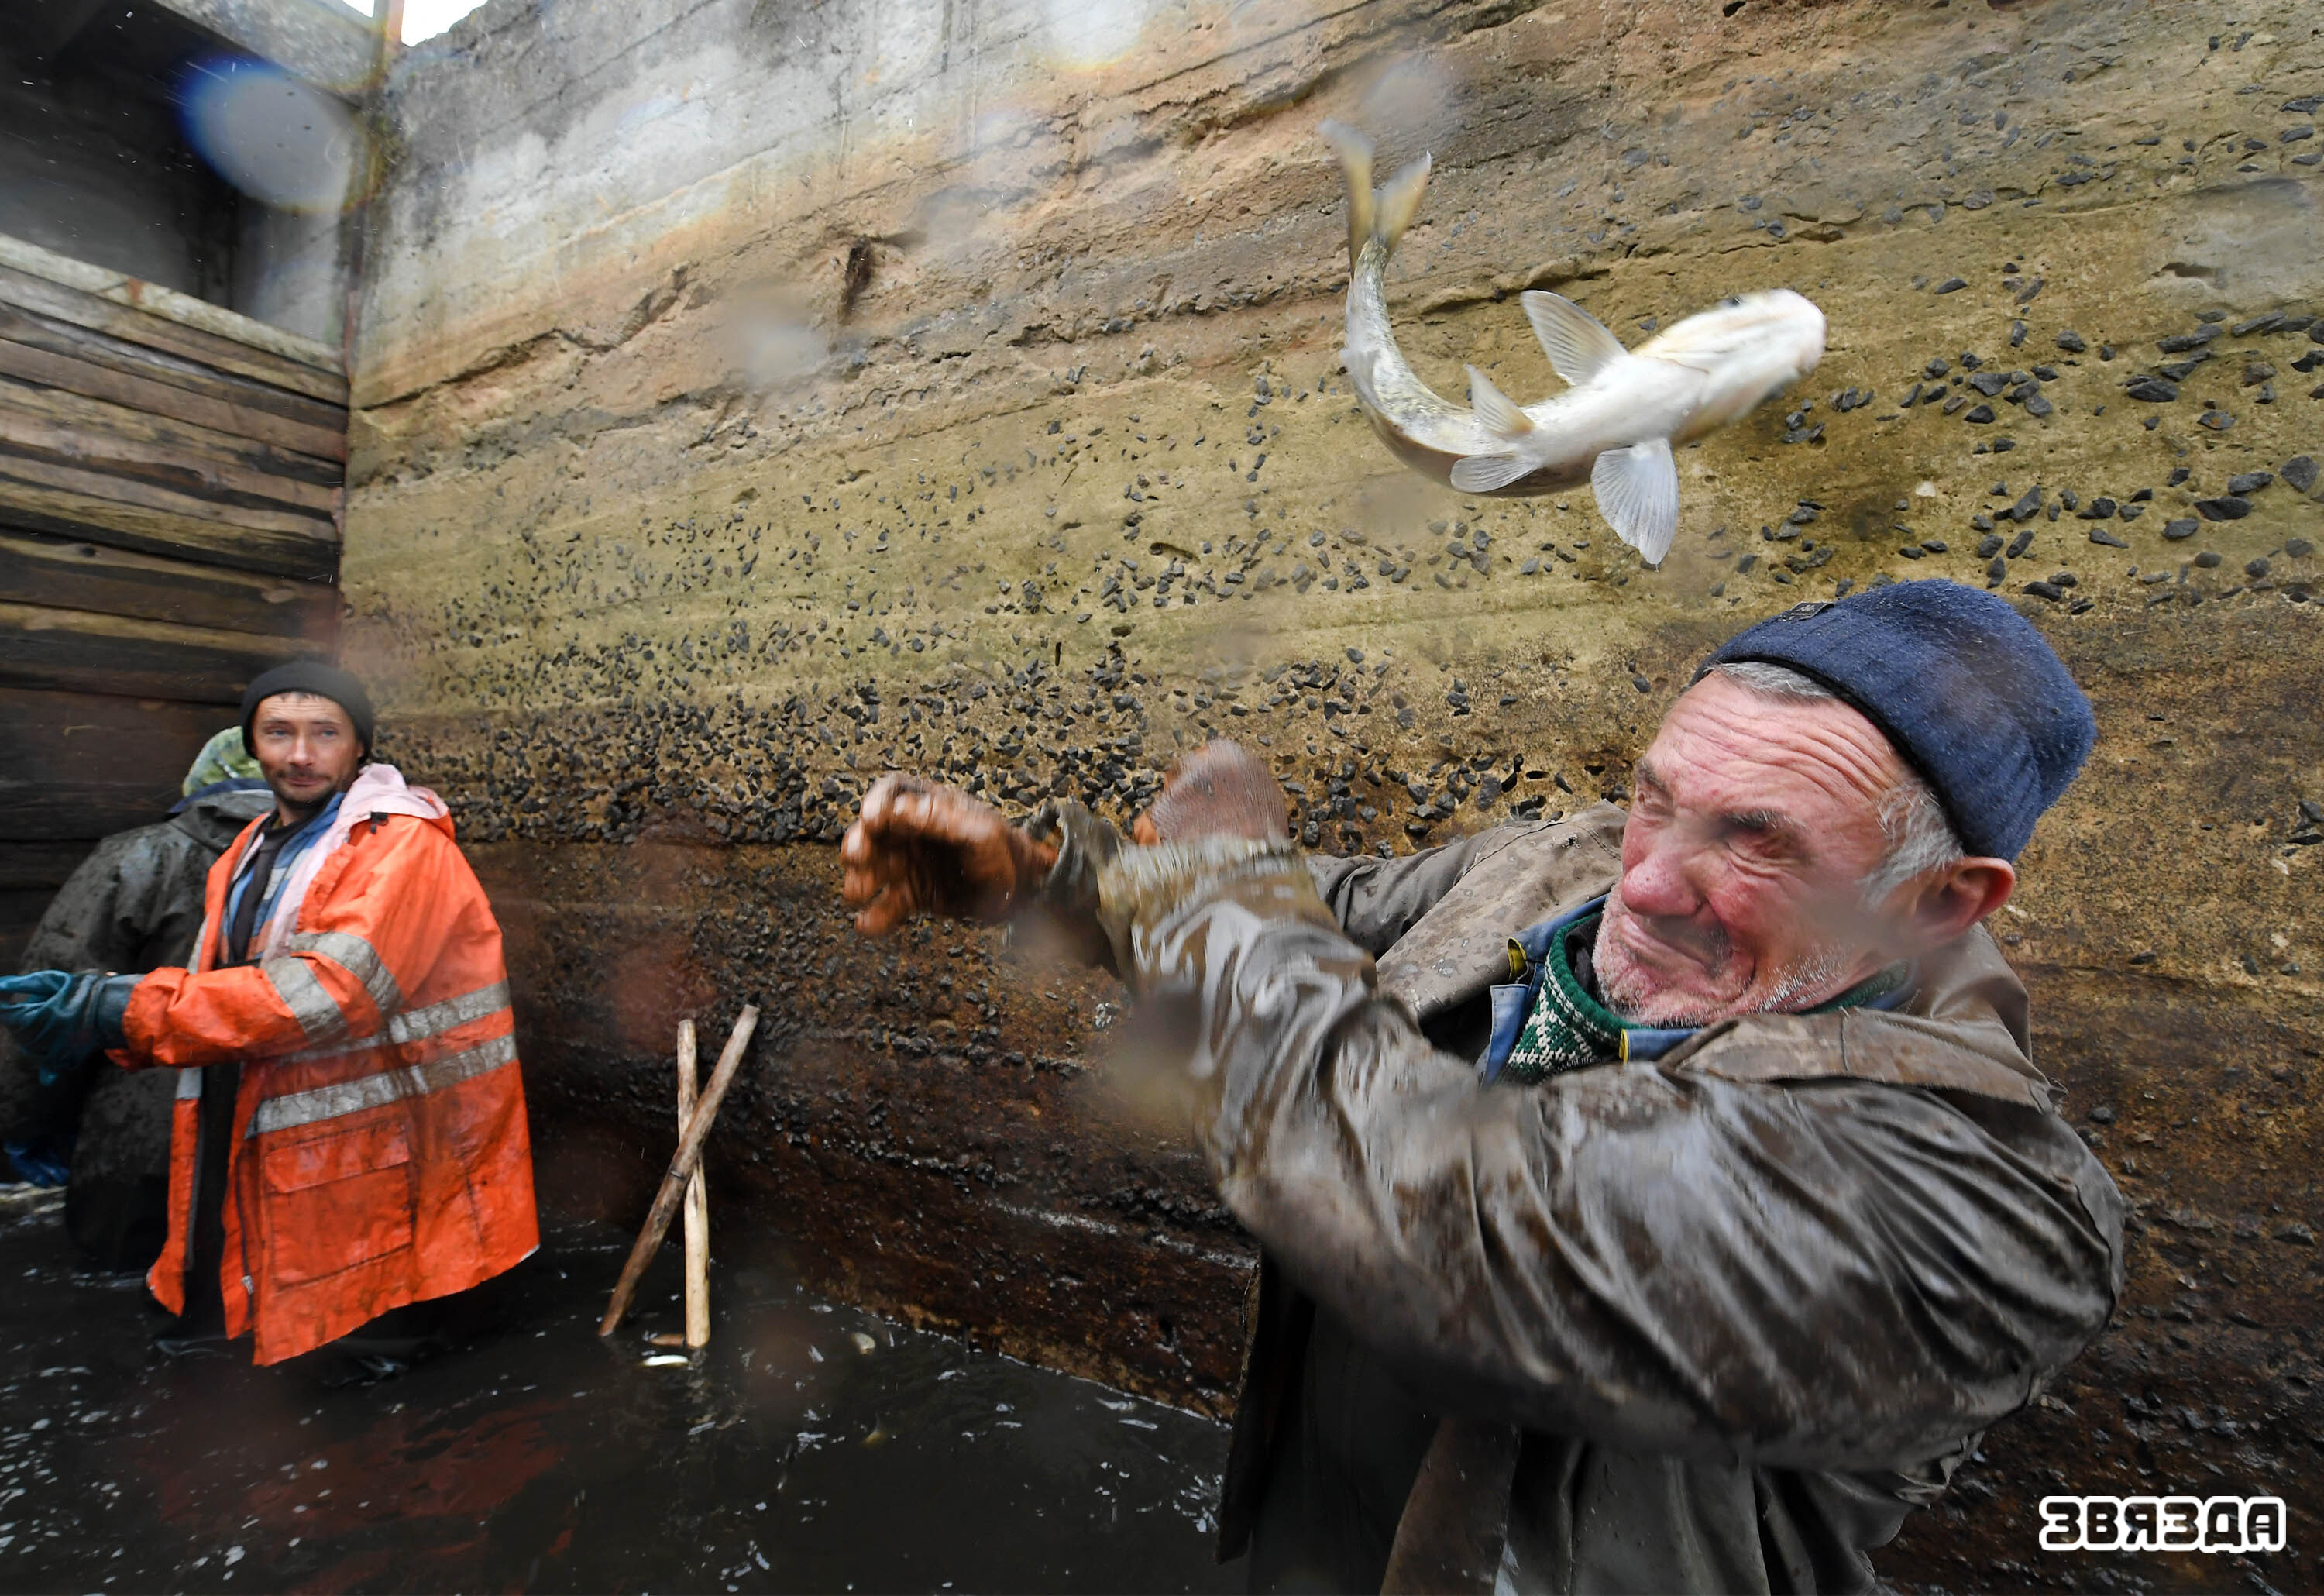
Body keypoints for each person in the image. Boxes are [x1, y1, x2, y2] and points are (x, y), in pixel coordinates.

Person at [840, 580, 2125, 1594]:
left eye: (1758, 841)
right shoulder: (1563, 865)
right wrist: (1050, 881)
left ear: (1936, 903)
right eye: (1658, 798)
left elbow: (1454, 1235)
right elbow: (1332, 915)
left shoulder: (1984, 1204)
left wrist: (1220, 899)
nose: (1645, 885)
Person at [0, 662, 538, 1367]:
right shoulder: (249, 847)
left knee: (381, 1306)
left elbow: (333, 993)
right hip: (277, 1107)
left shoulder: (401, 846)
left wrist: (124, 1008)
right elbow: (225, 979)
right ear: (252, 744)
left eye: (326, 734)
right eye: (279, 733)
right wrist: (122, 1026)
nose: (301, 754)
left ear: (361, 747)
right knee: (289, 1292)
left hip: (399, 1113)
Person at [0, 728, 273, 1269]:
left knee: (121, 1293)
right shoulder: (347, 864)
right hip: (289, 1152)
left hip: (139, 1148)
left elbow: (47, 1007)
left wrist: (20, 1124)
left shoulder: (141, 856)